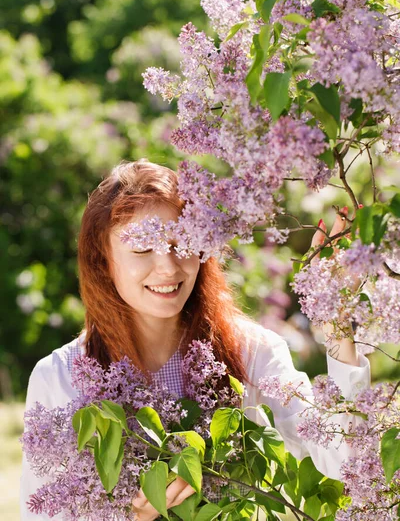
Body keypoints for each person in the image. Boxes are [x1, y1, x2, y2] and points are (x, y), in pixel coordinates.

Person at [20, 159, 370, 521]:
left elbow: (347, 461)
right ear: (103, 260)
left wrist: (339, 330)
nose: (169, 268)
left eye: (182, 243)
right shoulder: (59, 378)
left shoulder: (251, 351)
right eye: (142, 250)